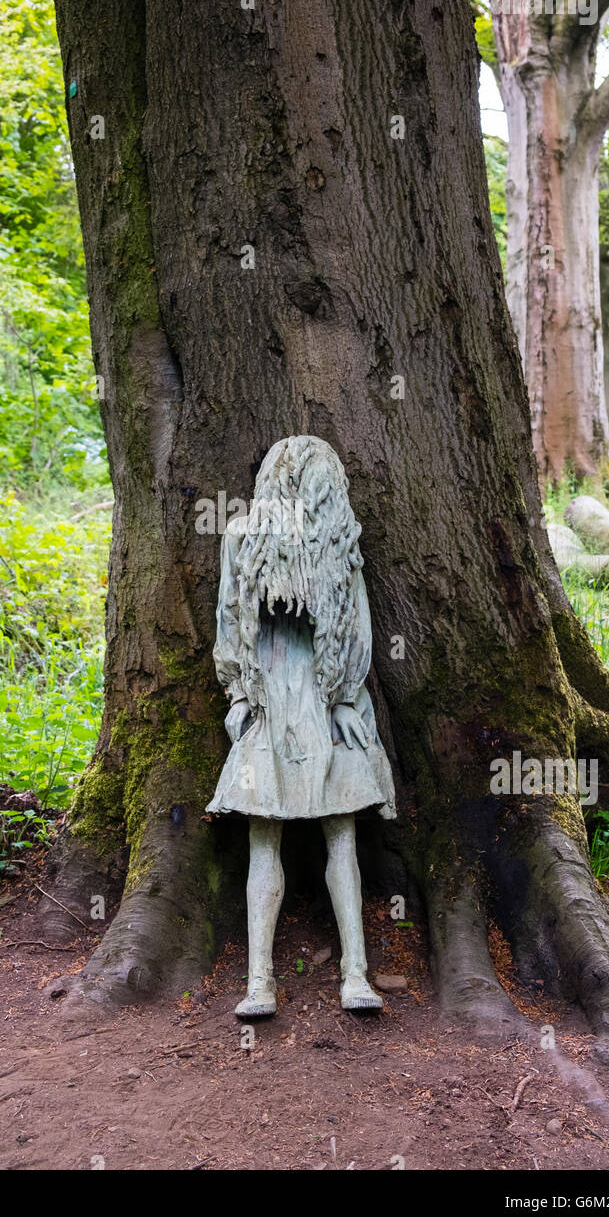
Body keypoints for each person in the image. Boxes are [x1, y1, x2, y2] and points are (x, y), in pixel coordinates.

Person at [207, 435, 396, 1017]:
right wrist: (240, 692)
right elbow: (232, 616)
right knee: (265, 836)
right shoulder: (242, 538)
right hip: (270, 705)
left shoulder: (340, 543)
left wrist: (344, 699)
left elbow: (354, 623)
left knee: (343, 836)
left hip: (325, 703)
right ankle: (259, 981)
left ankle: (355, 973)